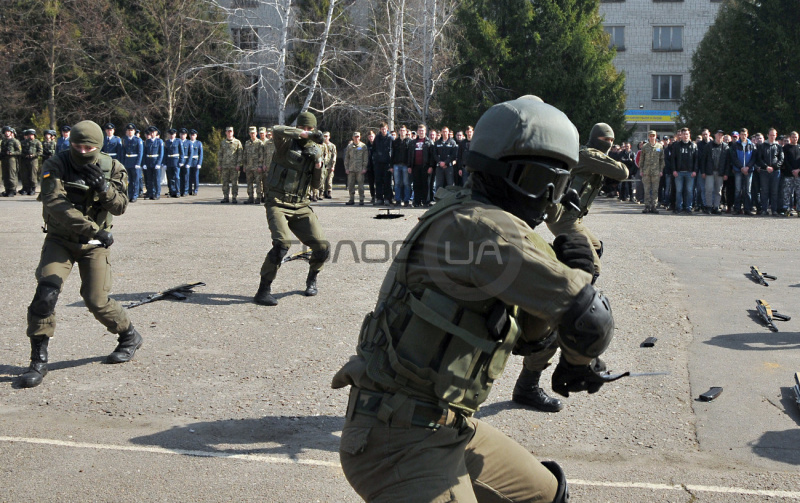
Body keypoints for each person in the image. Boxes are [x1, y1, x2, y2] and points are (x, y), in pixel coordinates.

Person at [332, 96, 616, 502]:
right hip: (399, 440)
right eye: (551, 186)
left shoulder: (463, 210)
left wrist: (557, 287)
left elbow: (529, 337)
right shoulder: (487, 228)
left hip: (443, 423)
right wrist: (583, 281)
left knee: (547, 496)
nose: (553, 200)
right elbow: (591, 319)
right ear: (532, 179)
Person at [19, 120, 142, 389]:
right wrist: (91, 229)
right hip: (61, 239)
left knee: (96, 299)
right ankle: (38, 360)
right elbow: (54, 203)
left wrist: (104, 189)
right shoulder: (56, 164)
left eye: (89, 147)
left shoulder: (113, 168)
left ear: (99, 146)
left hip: (94, 246)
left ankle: (129, 335)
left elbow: (121, 206)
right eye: (77, 145)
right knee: (46, 294)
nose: (82, 150)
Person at [254, 112, 329, 306]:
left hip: (301, 206)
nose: (307, 132)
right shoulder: (285, 144)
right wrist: (301, 135)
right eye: (304, 128)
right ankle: (263, 290)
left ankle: (312, 278)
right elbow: (276, 130)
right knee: (282, 243)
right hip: (277, 203)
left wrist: (319, 163)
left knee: (322, 246)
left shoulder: (315, 150)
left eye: (310, 129)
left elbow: (316, 186)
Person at [545, 122, 628, 282]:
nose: (609, 144)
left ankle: (563, 274)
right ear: (595, 138)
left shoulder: (587, 155)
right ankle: (576, 297)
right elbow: (622, 172)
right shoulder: (589, 155)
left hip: (573, 217)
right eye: (606, 139)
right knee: (592, 267)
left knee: (596, 247)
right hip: (564, 218)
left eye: (612, 140)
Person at [755, 128, 784, 216]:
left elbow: (781, 159)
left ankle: (774, 210)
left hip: (775, 172)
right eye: (771, 135)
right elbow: (759, 159)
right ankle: (764, 209)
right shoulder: (762, 146)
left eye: (774, 135)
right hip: (764, 171)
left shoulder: (778, 146)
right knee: (764, 191)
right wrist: (766, 167)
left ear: (776, 135)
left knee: (774, 191)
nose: (772, 137)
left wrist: (774, 167)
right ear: (767, 135)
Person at [671, 128, 699, 214]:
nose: (685, 136)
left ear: (689, 135)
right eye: (684, 134)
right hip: (679, 172)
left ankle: (688, 207)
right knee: (679, 191)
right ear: (681, 135)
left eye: (687, 134)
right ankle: (679, 207)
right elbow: (673, 159)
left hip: (690, 173)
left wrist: (695, 171)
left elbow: (696, 159)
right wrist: (674, 170)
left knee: (689, 191)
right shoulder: (676, 146)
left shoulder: (693, 145)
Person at [729, 128, 756, 215]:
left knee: (747, 190)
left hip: (749, 171)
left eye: (745, 134)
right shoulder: (735, 145)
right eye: (742, 134)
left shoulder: (751, 145)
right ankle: (737, 208)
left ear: (747, 135)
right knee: (738, 190)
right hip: (738, 170)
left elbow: (754, 158)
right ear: (739, 135)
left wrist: (747, 167)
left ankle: (747, 209)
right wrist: (741, 167)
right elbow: (734, 158)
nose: (743, 136)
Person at [701, 130, 729, 214]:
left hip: (720, 172)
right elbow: (703, 160)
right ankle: (709, 207)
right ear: (715, 135)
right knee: (709, 189)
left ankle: (716, 207)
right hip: (709, 171)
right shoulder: (708, 146)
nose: (720, 136)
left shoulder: (726, 147)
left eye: (721, 135)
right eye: (718, 134)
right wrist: (703, 171)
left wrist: (726, 173)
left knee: (718, 191)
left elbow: (727, 162)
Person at [408, 124, 434, 207]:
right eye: (420, 131)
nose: (421, 132)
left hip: (425, 167)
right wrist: (409, 166)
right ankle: (417, 201)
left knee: (425, 185)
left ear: (425, 131)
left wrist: (431, 166)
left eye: (423, 130)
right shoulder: (413, 142)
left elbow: (432, 156)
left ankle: (426, 201)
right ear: (417, 132)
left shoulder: (429, 142)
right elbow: (410, 155)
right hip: (415, 166)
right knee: (416, 185)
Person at [639, 130, 664, 214]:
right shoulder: (645, 147)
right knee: (646, 189)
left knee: (655, 190)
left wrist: (661, 170)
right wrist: (641, 170)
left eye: (653, 136)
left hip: (656, 172)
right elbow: (641, 159)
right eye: (650, 136)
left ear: (655, 136)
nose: (652, 137)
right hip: (646, 172)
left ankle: (654, 206)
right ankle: (646, 206)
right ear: (648, 137)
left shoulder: (659, 147)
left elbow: (662, 160)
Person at [217, 126, 243, 204]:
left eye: (231, 131)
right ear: (226, 133)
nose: (229, 133)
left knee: (234, 182)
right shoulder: (223, 143)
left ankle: (234, 197)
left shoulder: (237, 142)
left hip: (234, 166)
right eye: (228, 131)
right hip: (225, 166)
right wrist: (219, 164)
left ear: (233, 132)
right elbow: (220, 154)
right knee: (225, 182)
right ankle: (226, 197)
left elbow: (240, 154)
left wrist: (239, 164)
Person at [344, 131, 368, 206]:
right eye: (355, 137)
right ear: (353, 137)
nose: (356, 138)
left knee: (360, 185)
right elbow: (347, 158)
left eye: (358, 137)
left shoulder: (363, 146)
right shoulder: (349, 146)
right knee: (350, 185)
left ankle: (361, 199)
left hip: (360, 169)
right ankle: (351, 199)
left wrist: (364, 167)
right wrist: (346, 168)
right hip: (351, 169)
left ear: (360, 137)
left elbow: (365, 158)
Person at [371, 123, 393, 205]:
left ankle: (388, 198)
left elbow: (393, 152)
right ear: (380, 129)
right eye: (382, 129)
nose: (383, 130)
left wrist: (391, 164)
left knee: (387, 182)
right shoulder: (377, 138)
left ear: (387, 129)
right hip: (378, 163)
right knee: (378, 181)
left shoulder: (390, 138)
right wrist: (375, 159)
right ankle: (379, 198)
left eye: (385, 128)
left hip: (387, 163)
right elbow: (374, 150)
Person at [121, 123, 143, 202]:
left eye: (131, 130)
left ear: (134, 131)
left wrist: (138, 163)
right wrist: (123, 163)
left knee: (136, 180)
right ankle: (130, 194)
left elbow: (140, 153)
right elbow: (123, 152)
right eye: (128, 130)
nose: (130, 132)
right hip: (127, 161)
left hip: (135, 162)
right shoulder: (125, 140)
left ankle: (135, 195)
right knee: (129, 180)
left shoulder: (138, 140)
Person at [391, 125, 412, 206]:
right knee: (397, 183)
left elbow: (411, 155)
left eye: (404, 130)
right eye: (401, 130)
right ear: (399, 132)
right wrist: (391, 166)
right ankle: (398, 200)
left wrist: (410, 166)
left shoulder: (410, 142)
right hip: (396, 165)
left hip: (406, 165)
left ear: (406, 132)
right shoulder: (395, 142)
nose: (402, 132)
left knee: (406, 183)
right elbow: (392, 154)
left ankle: (406, 200)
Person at [434, 126, 458, 193]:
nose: (444, 133)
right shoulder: (437, 143)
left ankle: (450, 200)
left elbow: (453, 155)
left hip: (449, 166)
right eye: (443, 132)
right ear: (441, 132)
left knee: (450, 184)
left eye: (446, 132)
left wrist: (446, 163)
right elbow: (435, 155)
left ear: (448, 132)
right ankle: (438, 200)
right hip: (439, 167)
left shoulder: (452, 142)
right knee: (439, 185)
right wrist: (440, 162)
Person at [781, 131, 800, 216]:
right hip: (788, 174)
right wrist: (792, 170)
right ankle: (786, 209)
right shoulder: (786, 148)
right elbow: (785, 161)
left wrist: (798, 170)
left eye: (796, 137)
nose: (794, 139)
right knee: (787, 193)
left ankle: (799, 209)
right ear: (790, 138)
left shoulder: (799, 147)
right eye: (793, 137)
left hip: (798, 174)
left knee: (799, 193)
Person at [19, 129, 43, 196]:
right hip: (25, 160)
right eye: (29, 134)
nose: (30, 136)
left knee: (33, 175)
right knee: (25, 175)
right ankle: (26, 189)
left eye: (32, 135)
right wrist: (25, 155)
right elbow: (20, 151)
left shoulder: (37, 142)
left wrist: (34, 155)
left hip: (33, 160)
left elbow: (40, 152)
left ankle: (33, 189)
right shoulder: (23, 142)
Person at [143, 126, 164, 200]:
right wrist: (144, 163)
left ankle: (157, 194)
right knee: (149, 179)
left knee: (156, 179)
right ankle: (151, 194)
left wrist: (158, 163)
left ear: (156, 133)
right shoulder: (147, 142)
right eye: (151, 132)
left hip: (155, 162)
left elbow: (161, 154)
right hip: (149, 161)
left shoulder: (159, 141)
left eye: (153, 132)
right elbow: (144, 153)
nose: (152, 134)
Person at [243, 126, 263, 204]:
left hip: (256, 166)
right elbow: (244, 155)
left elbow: (261, 155)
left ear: (256, 133)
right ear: (249, 134)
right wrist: (244, 165)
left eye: (254, 133)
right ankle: (250, 197)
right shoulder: (247, 143)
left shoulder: (259, 143)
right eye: (251, 133)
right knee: (249, 182)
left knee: (258, 182)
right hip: (249, 166)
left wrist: (260, 165)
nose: (252, 134)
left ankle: (259, 197)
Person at [163, 128, 184, 198]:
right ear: (168, 135)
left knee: (177, 177)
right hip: (169, 161)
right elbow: (165, 153)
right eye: (170, 134)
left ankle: (177, 191)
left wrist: (181, 161)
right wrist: (164, 163)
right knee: (170, 177)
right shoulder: (167, 142)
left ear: (175, 134)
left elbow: (181, 152)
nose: (172, 135)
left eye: (173, 134)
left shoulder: (178, 141)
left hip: (176, 161)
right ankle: (172, 191)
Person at [1, 126, 22, 197]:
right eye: (5, 132)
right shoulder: (3, 141)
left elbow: (19, 151)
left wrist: (12, 153)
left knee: (11, 175)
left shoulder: (15, 141)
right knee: (5, 175)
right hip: (4, 159)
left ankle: (12, 190)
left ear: (11, 133)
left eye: (8, 132)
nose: (7, 133)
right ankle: (7, 189)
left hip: (12, 159)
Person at [258, 127, 275, 203]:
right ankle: (267, 197)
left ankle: (274, 198)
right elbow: (264, 155)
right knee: (266, 183)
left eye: (272, 133)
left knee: (274, 183)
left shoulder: (278, 143)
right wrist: (264, 164)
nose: (271, 135)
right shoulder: (267, 143)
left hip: (275, 166)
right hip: (267, 166)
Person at [186, 129, 203, 196]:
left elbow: (201, 154)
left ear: (196, 136)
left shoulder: (198, 143)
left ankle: (195, 190)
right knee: (189, 176)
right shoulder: (187, 142)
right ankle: (189, 190)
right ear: (189, 135)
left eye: (194, 135)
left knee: (196, 177)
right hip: (189, 161)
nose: (192, 136)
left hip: (195, 161)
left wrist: (199, 163)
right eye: (191, 135)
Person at [322, 131, 336, 199]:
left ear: (329, 137)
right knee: (322, 179)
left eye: (327, 136)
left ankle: (329, 192)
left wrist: (333, 165)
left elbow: (334, 156)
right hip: (323, 165)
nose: (325, 138)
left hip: (330, 165)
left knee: (329, 179)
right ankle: (323, 192)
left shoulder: (332, 146)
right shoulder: (321, 145)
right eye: (324, 136)